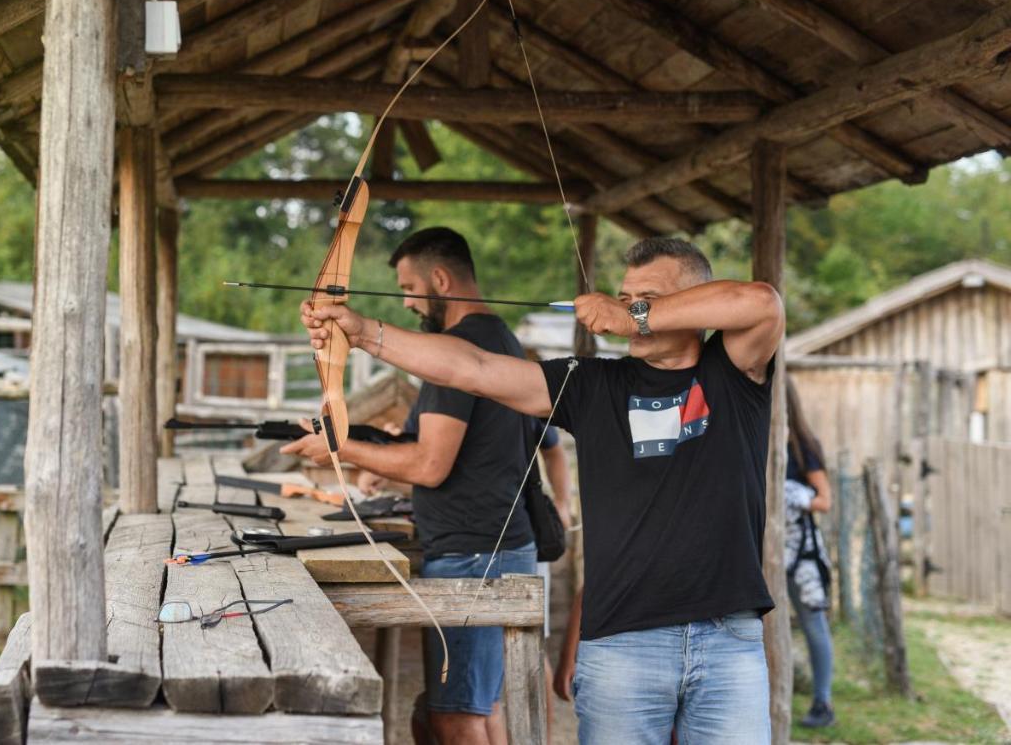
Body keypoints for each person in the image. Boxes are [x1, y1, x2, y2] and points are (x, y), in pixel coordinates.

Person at [300, 237, 785, 744]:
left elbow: (761, 301)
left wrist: (632, 318)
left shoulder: (731, 371)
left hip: (728, 640)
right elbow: (474, 368)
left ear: (693, 301)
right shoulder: (592, 383)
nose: (627, 307)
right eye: (624, 297)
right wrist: (363, 332)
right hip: (624, 644)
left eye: (648, 297)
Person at [282, 227, 545, 745]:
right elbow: (422, 444)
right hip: (486, 545)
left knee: (455, 717)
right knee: (471, 708)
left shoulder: (463, 348)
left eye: (407, 287)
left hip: (476, 553)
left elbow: (429, 465)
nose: (403, 301)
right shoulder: (489, 340)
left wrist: (337, 446)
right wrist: (360, 443)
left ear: (440, 279)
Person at [784, 378, 836, 728]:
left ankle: (822, 702)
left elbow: (825, 500)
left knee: (812, 622)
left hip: (800, 551)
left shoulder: (803, 446)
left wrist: (795, 496)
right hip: (760, 548)